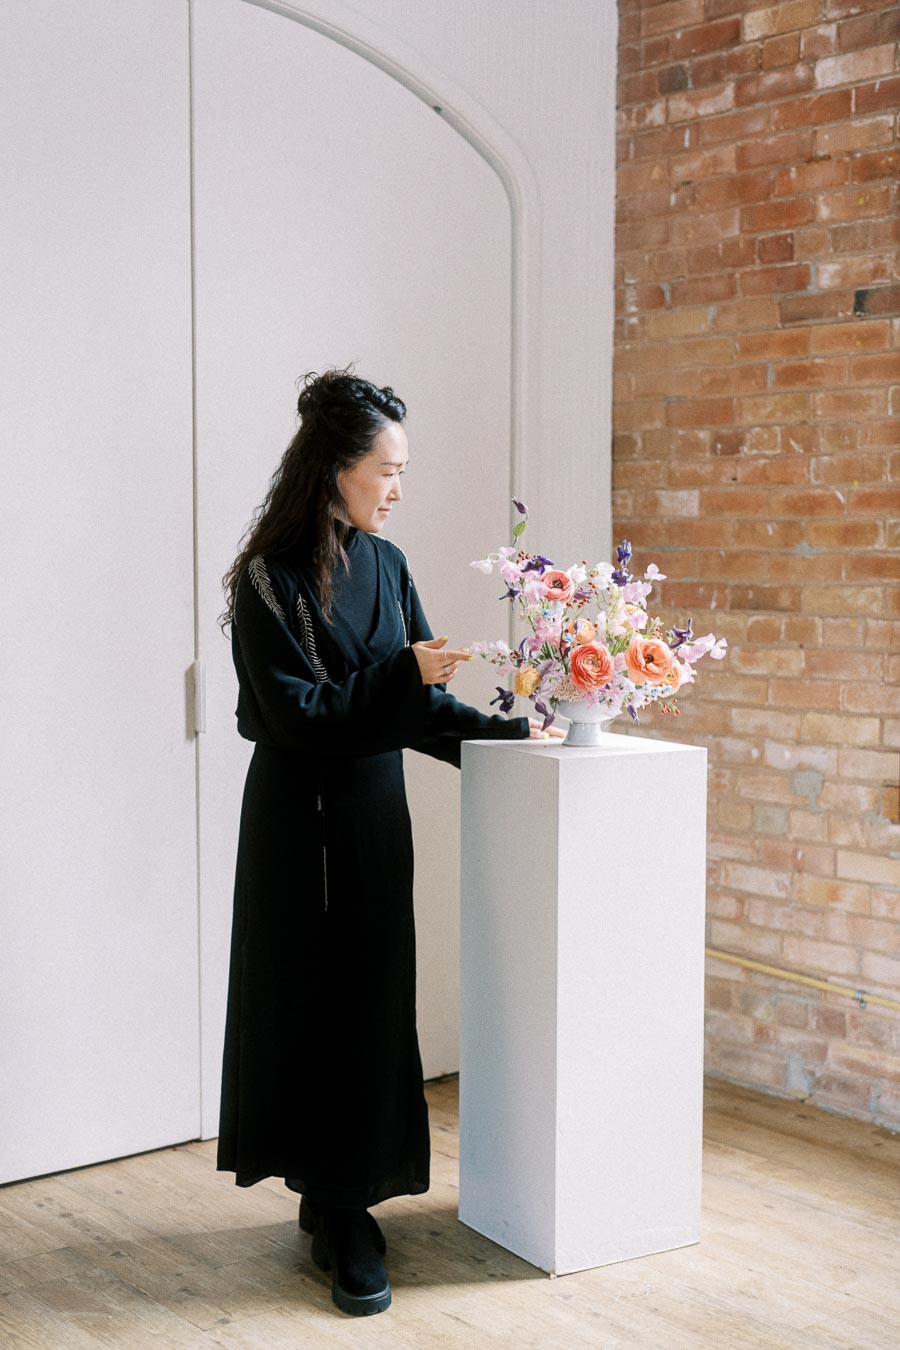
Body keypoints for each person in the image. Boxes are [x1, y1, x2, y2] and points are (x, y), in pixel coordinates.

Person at [215, 366, 564, 1318]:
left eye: (401, 471)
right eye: (386, 469)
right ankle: (337, 1209)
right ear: (333, 467)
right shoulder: (265, 578)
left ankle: (343, 1200)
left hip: (371, 813)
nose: (398, 488)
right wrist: (400, 675)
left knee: (369, 1002)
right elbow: (294, 716)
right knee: (308, 1003)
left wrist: (511, 739)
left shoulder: (391, 565)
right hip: (296, 821)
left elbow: (417, 709)